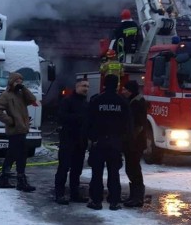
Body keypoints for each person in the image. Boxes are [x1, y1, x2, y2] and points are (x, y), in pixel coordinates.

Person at [87, 74, 132, 211]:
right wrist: (123, 141)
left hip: (99, 142)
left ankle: (96, 201)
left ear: (104, 84)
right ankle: (114, 201)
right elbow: (128, 123)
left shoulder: (96, 100)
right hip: (115, 142)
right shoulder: (122, 101)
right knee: (114, 173)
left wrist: (91, 138)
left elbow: (88, 121)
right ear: (117, 85)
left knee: (97, 172)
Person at [0, 72, 37, 192]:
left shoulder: (21, 95)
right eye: (17, 81)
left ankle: (4, 179)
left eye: (21, 81)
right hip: (15, 130)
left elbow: (32, 99)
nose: (19, 83)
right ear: (11, 82)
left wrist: (24, 88)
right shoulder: (6, 95)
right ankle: (21, 181)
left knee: (11, 155)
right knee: (21, 155)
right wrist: (10, 121)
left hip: (22, 129)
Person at [54, 78, 90, 205]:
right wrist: (78, 118)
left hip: (80, 141)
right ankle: (59, 194)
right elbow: (61, 116)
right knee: (63, 168)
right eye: (83, 86)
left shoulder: (86, 103)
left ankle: (75, 193)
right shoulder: (67, 101)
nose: (86, 88)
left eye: (87, 86)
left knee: (77, 169)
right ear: (77, 86)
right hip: (68, 140)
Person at [121, 80, 147, 208]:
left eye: (125, 89)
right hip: (134, 142)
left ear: (130, 90)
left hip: (135, 143)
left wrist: (130, 139)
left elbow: (137, 125)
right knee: (131, 168)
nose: (123, 91)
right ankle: (134, 196)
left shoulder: (136, 103)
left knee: (134, 169)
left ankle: (137, 197)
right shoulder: (134, 101)